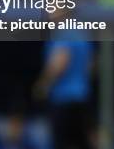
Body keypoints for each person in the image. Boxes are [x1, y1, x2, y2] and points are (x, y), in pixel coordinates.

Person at [33, 8, 94, 149]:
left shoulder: (62, 34)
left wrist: (42, 84)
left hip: (63, 99)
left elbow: (60, 62)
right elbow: (91, 66)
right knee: (82, 141)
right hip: (82, 96)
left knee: (61, 142)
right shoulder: (82, 33)